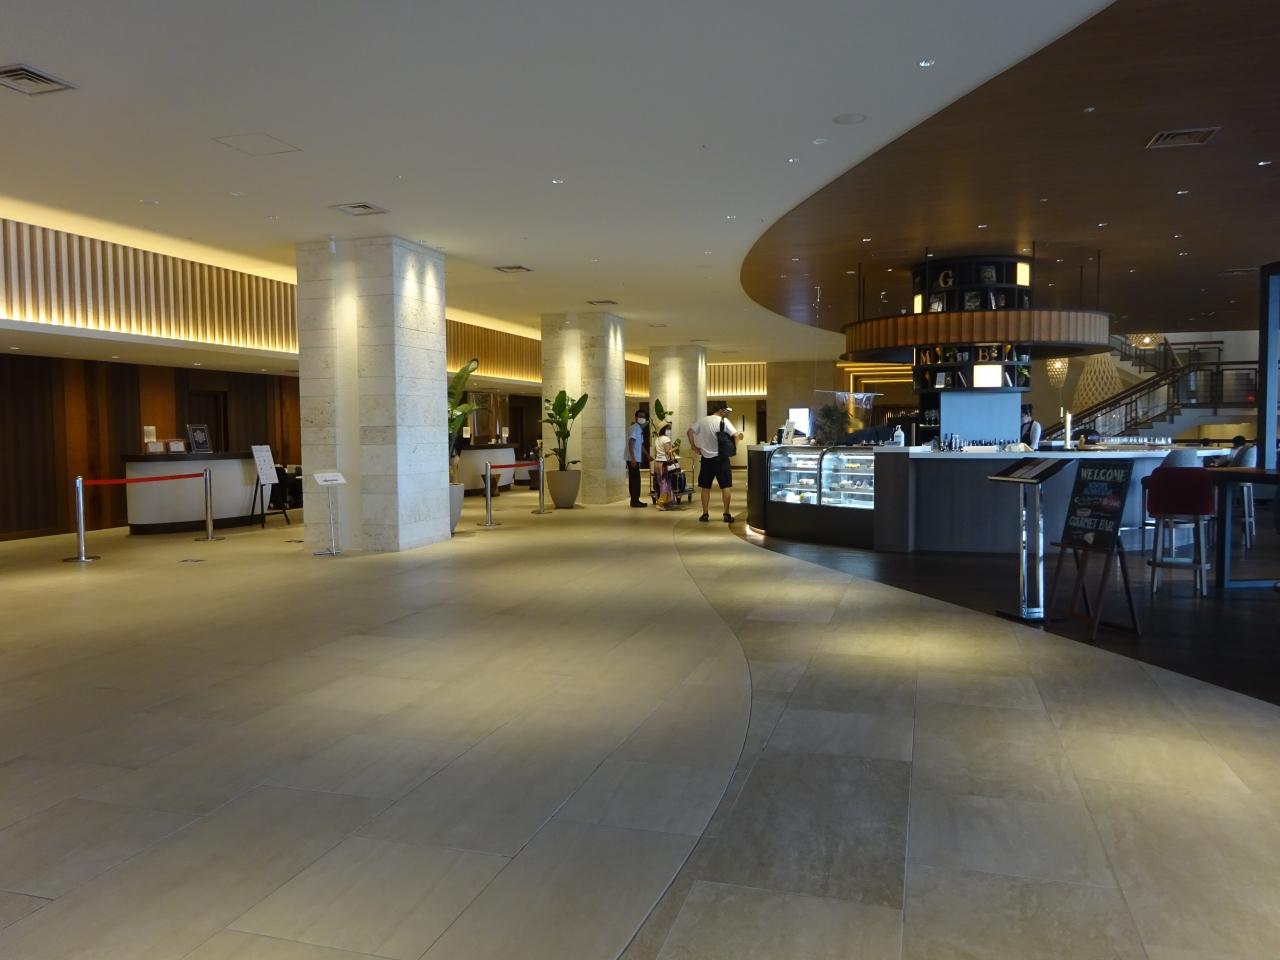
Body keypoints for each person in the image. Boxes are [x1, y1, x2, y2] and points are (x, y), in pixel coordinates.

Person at [688, 402, 743, 523]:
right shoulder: (723, 421)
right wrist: (733, 449)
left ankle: (705, 514)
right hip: (721, 459)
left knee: (705, 487)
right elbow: (736, 435)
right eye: (726, 410)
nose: (727, 413)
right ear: (721, 410)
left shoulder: (702, 421)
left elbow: (689, 432)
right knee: (725, 486)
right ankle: (726, 514)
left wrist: (694, 447)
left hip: (706, 459)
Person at [626, 408, 648, 508]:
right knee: (635, 481)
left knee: (634, 480)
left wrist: (647, 455)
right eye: (640, 416)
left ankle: (634, 500)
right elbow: (630, 443)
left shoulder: (638, 429)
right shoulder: (635, 428)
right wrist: (633, 458)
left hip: (633, 458)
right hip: (633, 459)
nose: (642, 418)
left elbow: (640, 445)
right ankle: (635, 501)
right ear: (636, 417)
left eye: (643, 417)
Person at [652, 422, 675, 510]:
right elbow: (668, 451)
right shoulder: (666, 439)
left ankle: (663, 501)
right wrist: (675, 448)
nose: (669, 430)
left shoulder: (657, 439)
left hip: (657, 462)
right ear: (665, 429)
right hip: (664, 463)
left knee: (660, 482)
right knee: (665, 483)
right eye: (668, 428)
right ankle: (661, 503)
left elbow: (655, 453)